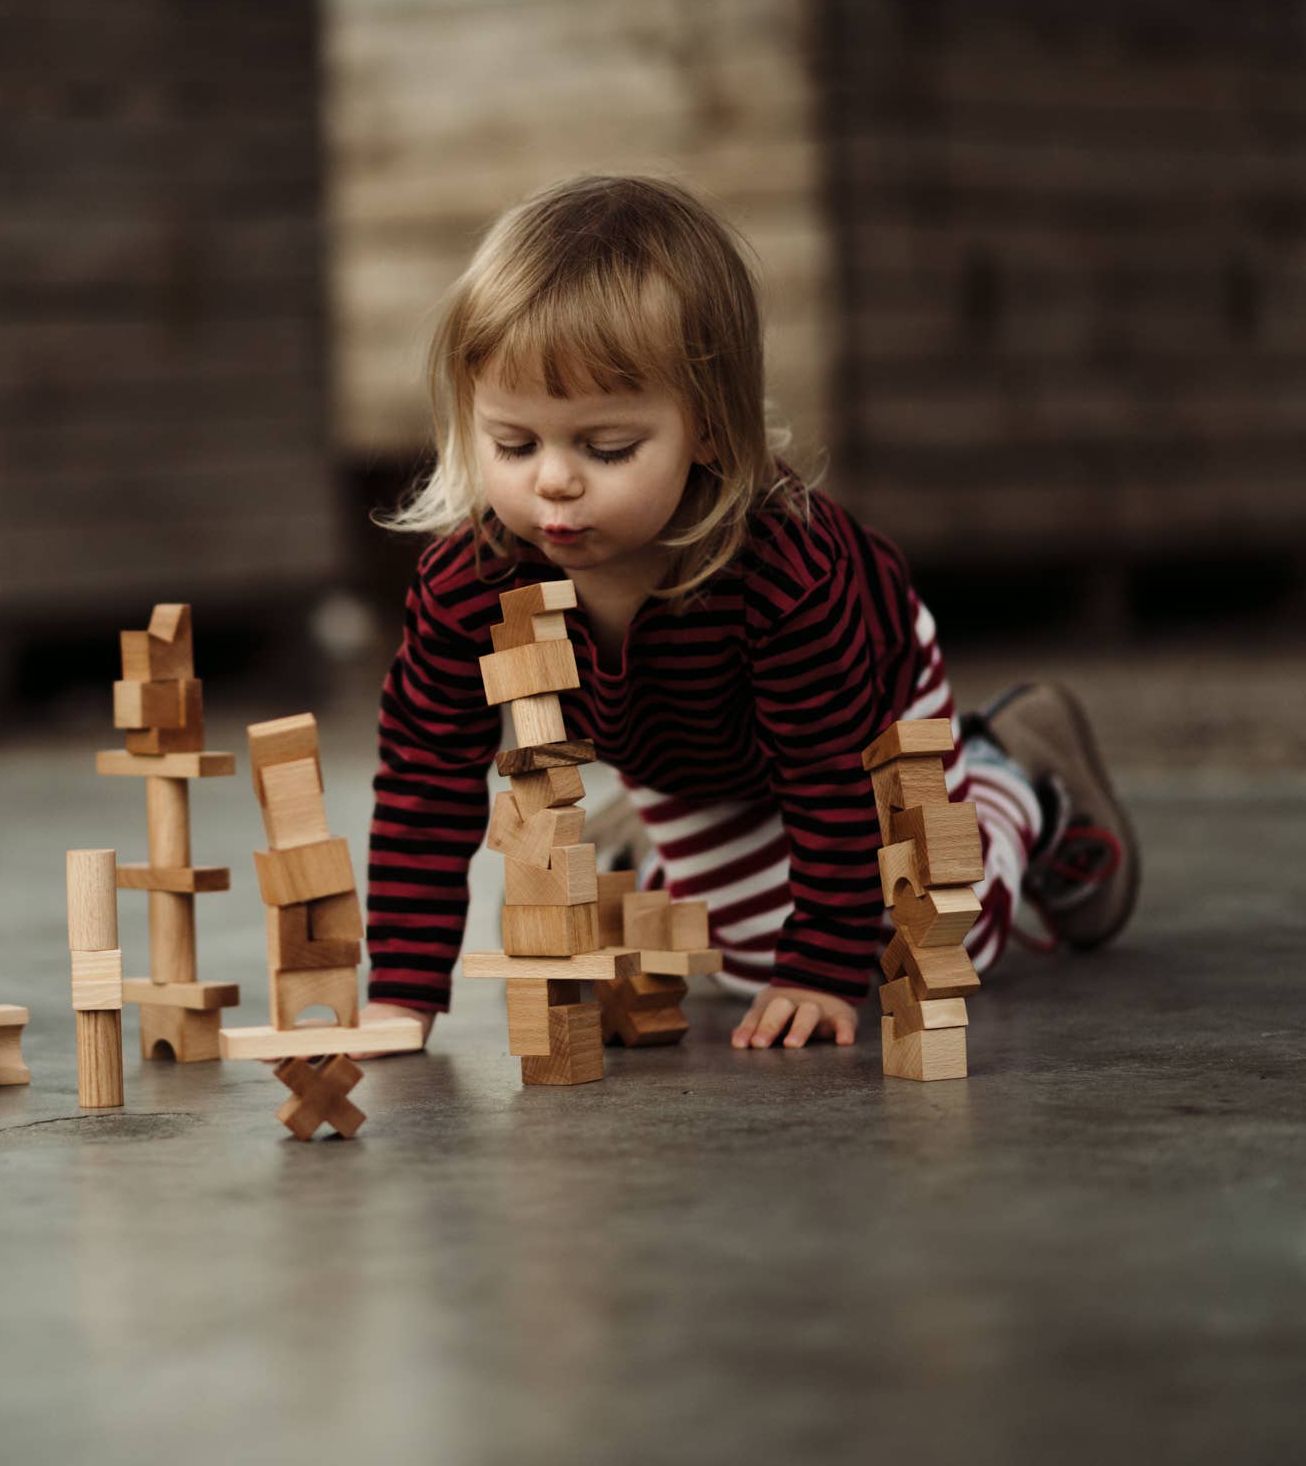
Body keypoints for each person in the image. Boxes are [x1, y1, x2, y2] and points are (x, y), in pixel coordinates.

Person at [356, 175, 1137, 1050]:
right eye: (513, 444)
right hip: (678, 743)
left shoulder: (783, 576)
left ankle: (1015, 783)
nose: (553, 482)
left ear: (711, 432)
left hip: (860, 713)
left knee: (923, 944)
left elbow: (830, 774)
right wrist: (402, 990)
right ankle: (649, 861)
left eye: (606, 448)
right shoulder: (470, 581)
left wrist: (820, 968)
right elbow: (426, 780)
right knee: (729, 964)